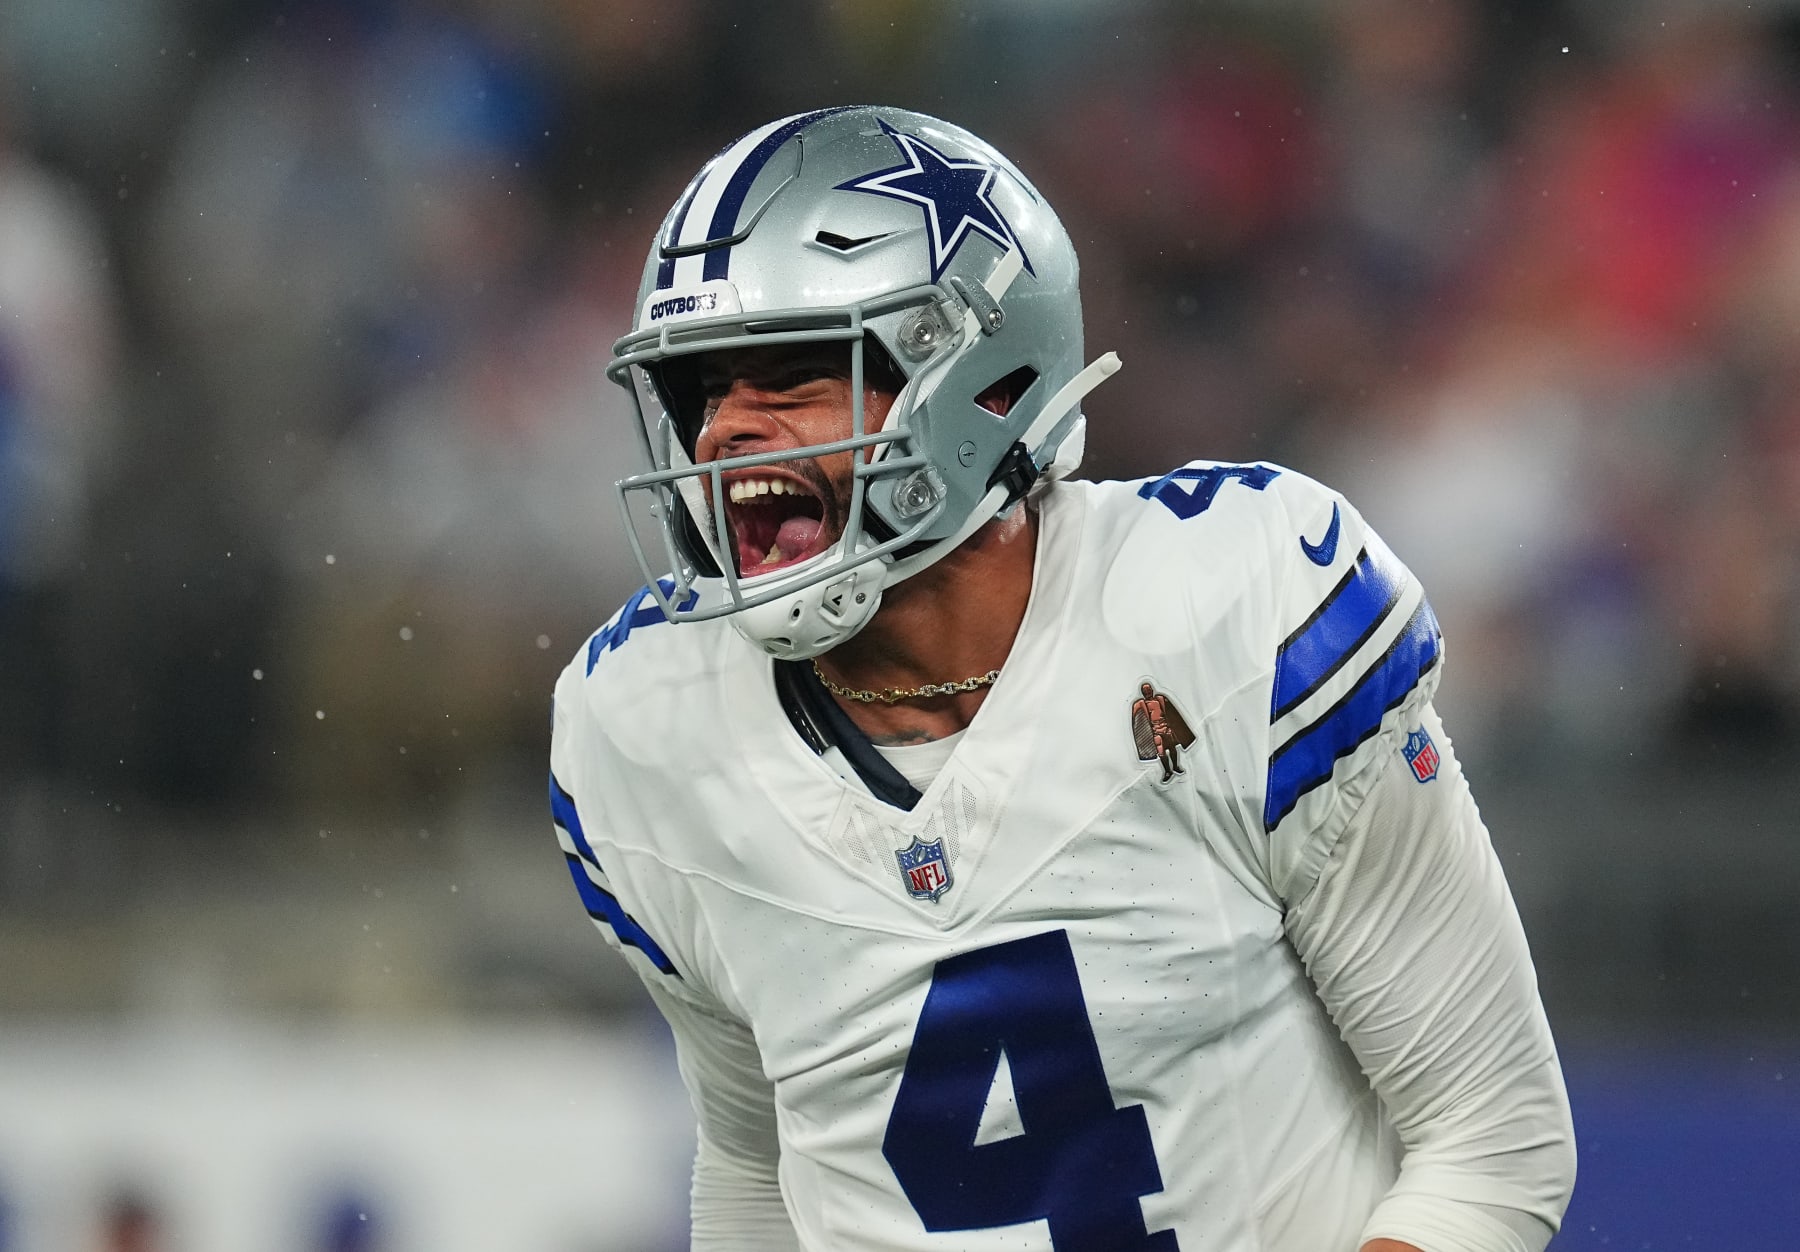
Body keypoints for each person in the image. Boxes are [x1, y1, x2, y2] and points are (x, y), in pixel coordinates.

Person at [550, 105, 1575, 1252]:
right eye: (700, 393)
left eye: (791, 375)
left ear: (983, 381)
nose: (727, 435)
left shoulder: (1232, 609)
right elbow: (756, 1172)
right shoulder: (642, 722)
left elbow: (1493, 1141)